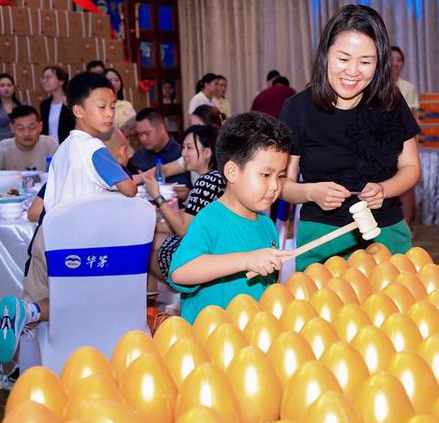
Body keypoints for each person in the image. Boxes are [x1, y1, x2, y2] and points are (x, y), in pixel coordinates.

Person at [0, 72, 137, 394]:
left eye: (113, 107)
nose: (109, 114)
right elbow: (128, 189)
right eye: (101, 106)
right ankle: (35, 329)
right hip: (76, 244)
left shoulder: (61, 152)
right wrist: (122, 173)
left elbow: (35, 210)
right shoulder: (95, 150)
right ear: (77, 110)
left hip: (45, 240)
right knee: (69, 303)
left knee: (31, 310)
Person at [279, 5, 421, 271]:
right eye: (343, 59)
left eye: (366, 62)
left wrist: (384, 189)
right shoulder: (297, 108)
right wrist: (311, 192)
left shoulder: (390, 101)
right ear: (325, 55)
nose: (353, 72)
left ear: (379, 63)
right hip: (323, 238)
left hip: (385, 232)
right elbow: (282, 184)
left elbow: (411, 168)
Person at [168, 112, 293, 323]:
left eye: (280, 176)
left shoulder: (267, 226)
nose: (274, 186)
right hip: (211, 343)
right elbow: (180, 272)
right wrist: (245, 260)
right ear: (232, 172)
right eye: (265, 175)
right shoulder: (210, 219)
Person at [144, 125, 225, 283]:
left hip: (203, 254)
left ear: (207, 153)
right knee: (148, 236)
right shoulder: (216, 177)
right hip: (211, 247)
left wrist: (157, 196)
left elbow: (182, 229)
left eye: (189, 148)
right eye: (183, 148)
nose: (183, 154)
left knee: (142, 251)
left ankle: (153, 300)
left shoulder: (207, 182)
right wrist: (149, 225)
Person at [391, 46, 419, 228]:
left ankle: (407, 226)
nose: (395, 63)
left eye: (399, 60)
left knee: (406, 188)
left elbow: (412, 117)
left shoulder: (407, 87)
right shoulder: (372, 86)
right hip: (380, 143)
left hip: (401, 142)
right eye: (391, 59)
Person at [0, 106, 58, 171]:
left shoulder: (50, 144)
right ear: (12, 128)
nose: (27, 133)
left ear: (40, 126)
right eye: (21, 128)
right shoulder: (3, 147)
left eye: (32, 128)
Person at [128, 108, 191, 187]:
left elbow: (183, 189)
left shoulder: (181, 153)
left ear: (161, 128)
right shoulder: (138, 155)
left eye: (147, 134)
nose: (143, 138)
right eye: (140, 135)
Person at [40, 65, 75, 144]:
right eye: (43, 78)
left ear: (61, 81)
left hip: (68, 147)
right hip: (50, 149)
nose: (45, 81)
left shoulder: (71, 102)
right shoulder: (45, 104)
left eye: (49, 77)